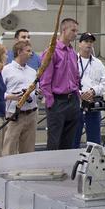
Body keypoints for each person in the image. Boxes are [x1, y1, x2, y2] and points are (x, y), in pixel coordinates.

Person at [39, 18, 83, 152]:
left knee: (68, 141)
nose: (76, 34)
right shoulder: (52, 52)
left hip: (72, 101)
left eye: (77, 31)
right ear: (64, 30)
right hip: (57, 101)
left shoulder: (73, 53)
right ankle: (52, 169)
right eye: (73, 30)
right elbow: (45, 80)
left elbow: (75, 76)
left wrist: (77, 95)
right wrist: (50, 100)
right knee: (54, 140)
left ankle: (66, 169)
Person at [0, 39, 41, 155]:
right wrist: (11, 97)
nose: (31, 54)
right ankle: (7, 171)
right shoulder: (6, 70)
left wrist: (39, 93)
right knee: (9, 147)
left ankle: (25, 171)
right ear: (19, 52)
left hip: (31, 114)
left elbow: (37, 90)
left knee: (28, 150)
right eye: (28, 51)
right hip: (14, 115)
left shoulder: (33, 72)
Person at [76, 33, 105, 146]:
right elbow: (67, 82)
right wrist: (80, 93)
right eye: (86, 41)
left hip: (92, 104)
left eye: (91, 42)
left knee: (94, 140)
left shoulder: (98, 63)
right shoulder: (72, 61)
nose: (89, 44)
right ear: (79, 44)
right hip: (76, 104)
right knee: (73, 138)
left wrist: (93, 91)